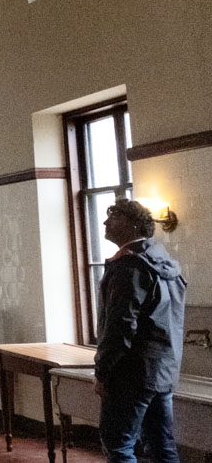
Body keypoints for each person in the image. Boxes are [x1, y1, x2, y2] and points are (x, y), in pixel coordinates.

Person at [94, 198, 186, 462]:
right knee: (161, 447)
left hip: (130, 373)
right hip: (163, 370)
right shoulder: (164, 262)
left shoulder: (129, 266)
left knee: (118, 446)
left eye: (115, 216)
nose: (106, 221)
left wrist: (103, 371)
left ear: (134, 225)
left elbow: (120, 327)